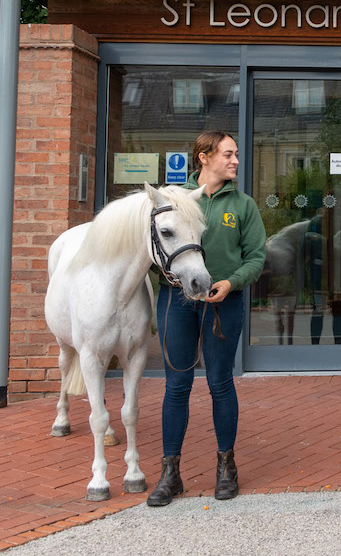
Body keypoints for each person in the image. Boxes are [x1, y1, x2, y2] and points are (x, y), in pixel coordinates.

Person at [147, 130, 266, 507]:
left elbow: (257, 257)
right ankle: (171, 474)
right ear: (204, 156)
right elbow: (152, 248)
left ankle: (227, 468)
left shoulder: (243, 205)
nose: (234, 161)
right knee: (176, 387)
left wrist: (232, 282)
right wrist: (165, 276)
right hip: (176, 302)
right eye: (228, 154)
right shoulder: (172, 199)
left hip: (223, 304)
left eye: (235, 154)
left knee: (220, 383)